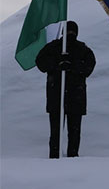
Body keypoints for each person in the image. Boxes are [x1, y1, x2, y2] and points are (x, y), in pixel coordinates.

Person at [34, 20, 96, 158]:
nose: (70, 34)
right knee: (56, 134)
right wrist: (57, 64)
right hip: (57, 97)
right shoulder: (54, 47)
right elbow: (40, 62)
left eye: (73, 32)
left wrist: (72, 66)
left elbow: (89, 67)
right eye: (69, 31)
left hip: (75, 98)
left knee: (74, 135)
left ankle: (72, 161)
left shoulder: (83, 50)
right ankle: (55, 160)